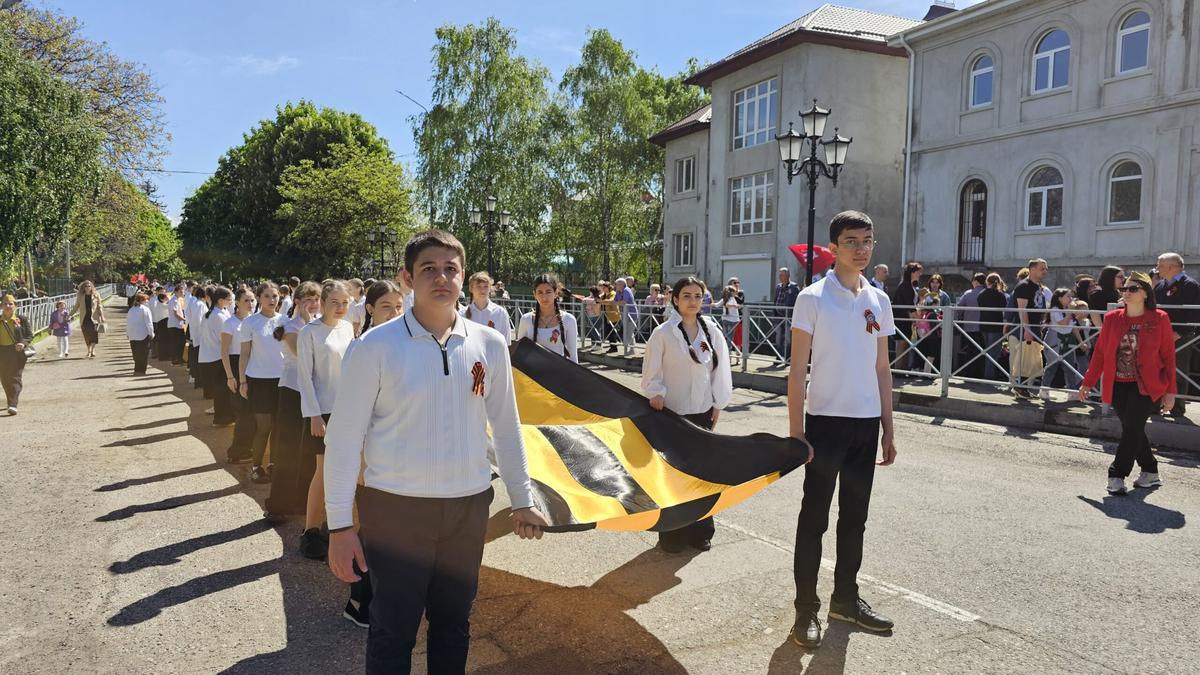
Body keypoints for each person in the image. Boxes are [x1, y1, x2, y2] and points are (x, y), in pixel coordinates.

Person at [324, 230, 548, 673]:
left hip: (467, 507)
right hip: (394, 511)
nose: (441, 277)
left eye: (451, 268)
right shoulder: (374, 348)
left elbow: (506, 426)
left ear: (463, 277)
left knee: (453, 625)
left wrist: (522, 498)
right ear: (407, 277)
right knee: (392, 630)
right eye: (429, 268)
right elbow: (344, 440)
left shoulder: (489, 344)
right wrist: (340, 527)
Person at [788, 211, 897, 649]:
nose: (862, 249)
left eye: (868, 240)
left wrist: (889, 428)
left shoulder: (879, 299)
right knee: (814, 519)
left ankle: (846, 600)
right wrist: (797, 433)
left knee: (855, 519)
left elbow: (883, 367)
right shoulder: (813, 297)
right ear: (833, 248)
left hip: (865, 425)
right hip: (825, 425)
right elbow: (797, 370)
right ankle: (805, 609)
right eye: (852, 241)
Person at [641, 275, 733, 553]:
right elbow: (651, 372)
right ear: (676, 300)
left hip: (702, 413)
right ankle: (671, 535)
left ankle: (701, 531)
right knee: (672, 474)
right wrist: (655, 393)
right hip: (671, 414)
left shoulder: (712, 331)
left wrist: (718, 404)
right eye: (687, 296)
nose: (693, 302)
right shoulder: (664, 334)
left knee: (702, 475)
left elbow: (720, 370)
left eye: (698, 296)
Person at [1079, 271, 1176, 495]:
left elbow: (1169, 357)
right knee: (1133, 429)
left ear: (1145, 293)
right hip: (1118, 383)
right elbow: (1101, 354)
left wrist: (1171, 391)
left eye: (1133, 289)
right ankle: (1150, 471)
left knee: (1132, 428)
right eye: (1125, 289)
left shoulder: (1159, 318)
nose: (1127, 293)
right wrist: (1088, 382)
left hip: (1147, 385)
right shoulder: (1113, 318)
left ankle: (1117, 475)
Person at [297, 280, 355, 561]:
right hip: (323, 411)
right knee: (322, 472)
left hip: (348, 410)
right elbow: (304, 377)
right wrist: (314, 415)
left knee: (346, 471)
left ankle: (337, 527)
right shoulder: (309, 333)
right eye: (335, 302)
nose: (341, 308)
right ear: (322, 302)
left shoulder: (347, 329)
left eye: (345, 303)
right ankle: (310, 531)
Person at [267, 281, 321, 517]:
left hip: (315, 391)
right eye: (308, 299)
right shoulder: (292, 326)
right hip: (292, 390)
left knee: (310, 450)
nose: (313, 303)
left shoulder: (319, 325)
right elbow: (304, 354)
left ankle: (302, 500)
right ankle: (279, 504)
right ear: (297, 301)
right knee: (288, 448)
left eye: (316, 298)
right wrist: (311, 324)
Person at [238, 282, 287, 485]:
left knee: (279, 426)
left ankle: (275, 465)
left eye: (274, 296)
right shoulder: (250, 323)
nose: (271, 299)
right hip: (258, 381)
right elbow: (244, 354)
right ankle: (257, 466)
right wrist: (242, 381)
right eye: (266, 296)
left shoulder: (285, 321)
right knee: (264, 426)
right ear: (259, 298)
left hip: (283, 381)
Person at [1153, 253, 1198, 415]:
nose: (1157, 268)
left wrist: (1178, 333)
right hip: (1160, 335)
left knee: (1178, 370)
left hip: (1180, 336)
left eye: (1160, 265)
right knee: (1157, 369)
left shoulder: (1190, 285)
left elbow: (1194, 314)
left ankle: (1177, 408)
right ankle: (1155, 404)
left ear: (1171, 267)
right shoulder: (1160, 285)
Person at [222, 287, 257, 464]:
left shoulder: (254, 321)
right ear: (236, 302)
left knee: (251, 412)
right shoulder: (230, 323)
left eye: (252, 300)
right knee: (243, 412)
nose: (250, 304)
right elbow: (224, 352)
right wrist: (230, 376)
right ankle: (237, 451)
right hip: (236, 367)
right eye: (246, 300)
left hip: (252, 366)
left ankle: (246, 448)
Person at [518, 273, 579, 363]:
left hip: (559, 374)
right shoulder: (526, 319)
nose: (544, 297)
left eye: (548, 292)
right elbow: (520, 353)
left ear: (556, 293)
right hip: (532, 374)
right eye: (540, 292)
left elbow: (573, 357)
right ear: (534, 294)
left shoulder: (569, 320)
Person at [1011, 259, 1050, 399]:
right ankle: (1019, 387)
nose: (1045, 271)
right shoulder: (1024, 286)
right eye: (1042, 268)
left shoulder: (1038, 286)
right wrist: (1027, 329)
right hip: (1027, 327)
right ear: (1032, 269)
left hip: (1036, 325)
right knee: (1025, 359)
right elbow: (1022, 309)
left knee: (1033, 360)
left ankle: (1024, 389)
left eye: (1046, 268)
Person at [199, 287, 235, 427]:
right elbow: (225, 338)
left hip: (210, 357)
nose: (231, 301)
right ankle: (222, 419)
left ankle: (223, 417)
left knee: (220, 390)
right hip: (217, 357)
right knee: (222, 391)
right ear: (221, 301)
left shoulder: (213, 313)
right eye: (229, 299)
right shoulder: (218, 316)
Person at [0, 295, 34, 415]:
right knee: (4, 378)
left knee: (15, 377)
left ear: (15, 305)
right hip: (2, 351)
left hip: (17, 351)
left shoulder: (22, 319)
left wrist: (22, 343)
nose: (8, 306)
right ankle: (10, 401)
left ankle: (13, 404)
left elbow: (29, 335)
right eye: (5, 304)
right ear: (1, 306)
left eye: (10, 304)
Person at [460, 272, 511, 343]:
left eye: (485, 286)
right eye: (478, 286)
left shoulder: (501, 313)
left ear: (490, 288)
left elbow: (506, 344)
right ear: (471, 288)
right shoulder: (462, 314)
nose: (482, 290)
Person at [978, 274, 1009, 381]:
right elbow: (1005, 312)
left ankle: (987, 373)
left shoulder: (981, 294)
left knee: (987, 351)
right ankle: (989, 375)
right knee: (994, 352)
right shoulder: (1001, 295)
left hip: (983, 325)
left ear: (987, 282)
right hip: (996, 326)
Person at [892, 262, 922, 371]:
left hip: (906, 319)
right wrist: (917, 318)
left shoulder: (909, 285)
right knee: (902, 344)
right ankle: (898, 369)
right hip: (902, 319)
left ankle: (903, 369)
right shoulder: (905, 285)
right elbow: (909, 304)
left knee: (906, 345)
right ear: (912, 272)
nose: (920, 274)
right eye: (918, 272)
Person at [957, 273, 986, 378]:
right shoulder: (986, 292)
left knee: (970, 350)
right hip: (984, 327)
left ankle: (968, 373)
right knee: (982, 350)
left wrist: (960, 319)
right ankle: (979, 373)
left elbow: (959, 308)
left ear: (976, 282)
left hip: (969, 326)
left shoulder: (968, 293)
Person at [72, 280, 105, 359]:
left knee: (94, 334)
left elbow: (99, 306)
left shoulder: (96, 295)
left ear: (92, 287)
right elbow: (76, 306)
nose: (87, 288)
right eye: (86, 286)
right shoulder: (80, 295)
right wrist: (70, 315)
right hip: (84, 318)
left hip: (94, 317)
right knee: (86, 335)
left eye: (89, 286)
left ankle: (92, 350)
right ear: (83, 287)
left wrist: (102, 316)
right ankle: (88, 350)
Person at [126, 292, 155, 375]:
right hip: (143, 334)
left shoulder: (131, 309)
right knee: (143, 353)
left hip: (133, 334)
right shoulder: (145, 309)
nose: (147, 301)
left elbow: (128, 322)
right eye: (146, 300)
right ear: (142, 300)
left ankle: (137, 369)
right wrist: (151, 333)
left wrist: (128, 333)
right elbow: (149, 323)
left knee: (135, 353)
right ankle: (141, 370)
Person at [774, 268, 801, 358]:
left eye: (782, 275)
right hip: (778, 316)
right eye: (779, 275)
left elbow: (798, 301)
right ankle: (779, 356)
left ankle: (787, 357)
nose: (780, 277)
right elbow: (776, 299)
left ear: (788, 276)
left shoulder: (794, 287)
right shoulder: (778, 286)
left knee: (787, 338)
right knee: (778, 337)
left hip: (789, 317)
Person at [713, 284, 742, 357]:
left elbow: (717, 305)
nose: (736, 293)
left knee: (725, 336)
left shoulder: (724, 299)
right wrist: (736, 306)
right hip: (733, 320)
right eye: (735, 292)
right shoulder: (732, 298)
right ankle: (728, 354)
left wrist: (709, 304)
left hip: (725, 319)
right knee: (730, 337)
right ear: (731, 292)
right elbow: (728, 305)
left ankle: (723, 352)